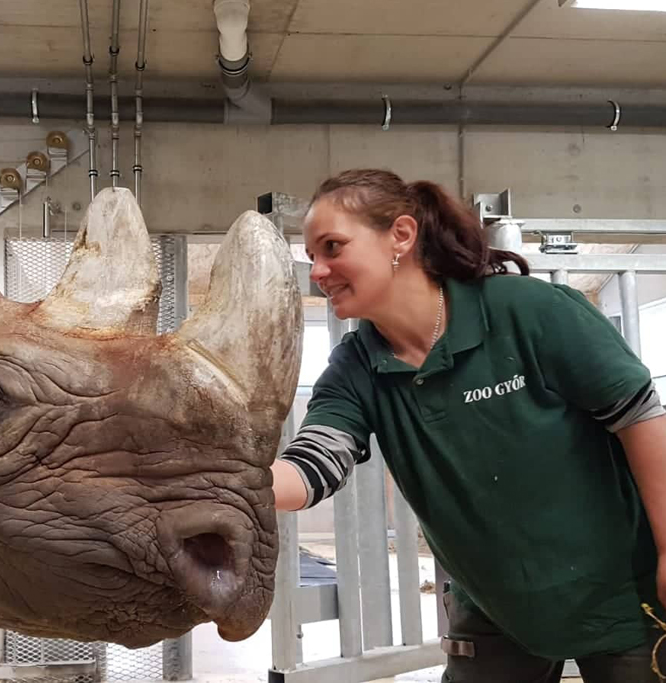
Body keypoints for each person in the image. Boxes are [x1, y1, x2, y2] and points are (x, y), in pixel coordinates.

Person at [271, 169, 666, 683]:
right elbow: (314, 462)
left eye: (332, 247)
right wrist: (227, 487)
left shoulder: (527, 312)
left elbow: (639, 417)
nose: (318, 271)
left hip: (620, 589)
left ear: (402, 236)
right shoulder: (356, 366)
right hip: (492, 606)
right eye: (312, 257)